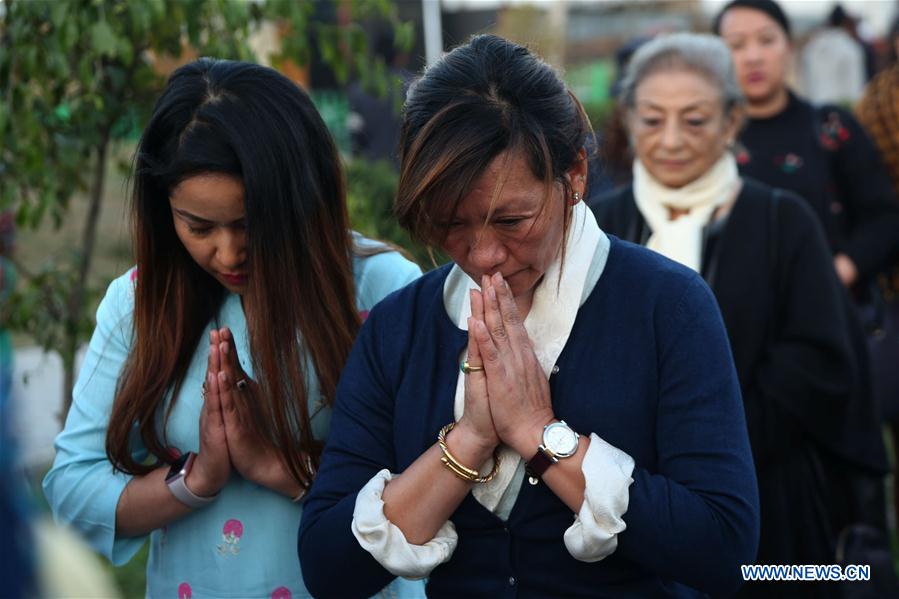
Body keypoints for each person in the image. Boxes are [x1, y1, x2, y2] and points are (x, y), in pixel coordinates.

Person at [298, 34, 759, 597]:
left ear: (575, 174)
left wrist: (539, 433)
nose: (483, 255)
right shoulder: (401, 328)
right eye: (450, 224)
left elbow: (723, 547)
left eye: (512, 221)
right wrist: (469, 441)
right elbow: (328, 568)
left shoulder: (666, 307)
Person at [42, 59, 423, 599]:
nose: (227, 253)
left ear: (301, 198)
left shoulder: (382, 289)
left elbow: (435, 480)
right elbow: (72, 490)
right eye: (198, 227)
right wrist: (196, 480)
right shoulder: (139, 302)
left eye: (249, 225)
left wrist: (279, 465)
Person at [590, 32, 877, 598]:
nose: (671, 140)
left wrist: (711, 443)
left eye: (695, 120)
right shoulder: (599, 225)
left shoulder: (782, 221)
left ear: (731, 122)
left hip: (769, 499)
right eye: (652, 120)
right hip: (622, 502)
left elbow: (818, 362)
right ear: (629, 120)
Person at [714, 0, 895, 555]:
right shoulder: (708, 142)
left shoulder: (830, 129)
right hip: (738, 352)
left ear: (789, 47)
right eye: (735, 45)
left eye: (765, 40)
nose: (752, 56)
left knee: (831, 503)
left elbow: (884, 218)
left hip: (830, 340)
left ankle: (845, 572)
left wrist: (834, 272)